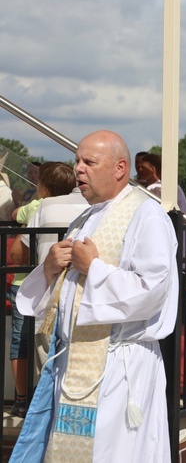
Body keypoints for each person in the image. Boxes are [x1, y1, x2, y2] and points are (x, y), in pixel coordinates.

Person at [11, 130, 179, 462]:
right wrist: (48, 269)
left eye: (89, 162)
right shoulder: (85, 218)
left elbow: (154, 290)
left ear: (120, 168)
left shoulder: (148, 215)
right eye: (77, 161)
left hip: (120, 366)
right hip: (77, 364)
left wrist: (95, 268)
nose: (78, 170)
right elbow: (63, 295)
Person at [8, 162, 77, 418]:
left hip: (33, 288)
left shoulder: (40, 206)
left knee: (23, 345)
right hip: (72, 290)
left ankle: (24, 400)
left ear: (43, 187)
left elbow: (17, 254)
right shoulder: (86, 209)